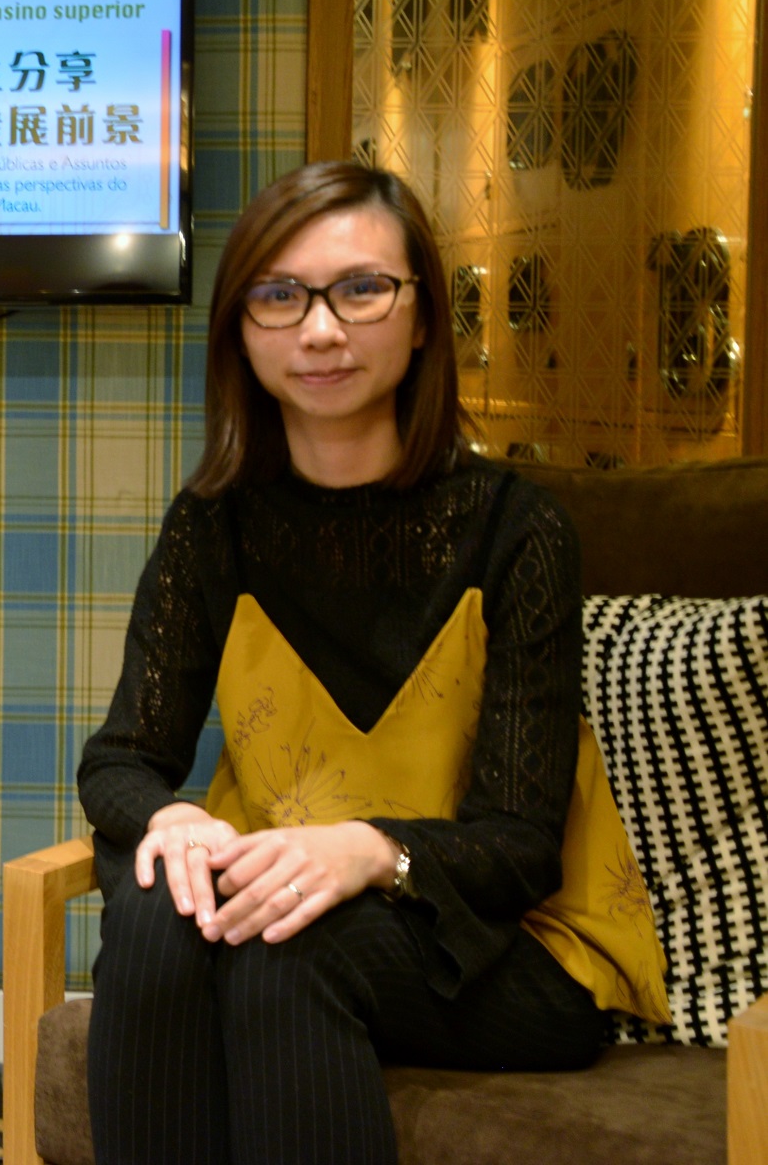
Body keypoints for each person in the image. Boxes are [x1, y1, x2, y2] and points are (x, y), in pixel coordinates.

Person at [74, 160, 667, 1164]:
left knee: (282, 948)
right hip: (289, 900)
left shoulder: (519, 531)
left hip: (512, 946)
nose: (319, 329)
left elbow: (520, 847)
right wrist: (169, 820)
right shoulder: (214, 525)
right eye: (279, 295)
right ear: (240, 327)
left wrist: (367, 851)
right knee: (151, 916)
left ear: (423, 313)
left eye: (360, 289)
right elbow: (121, 759)